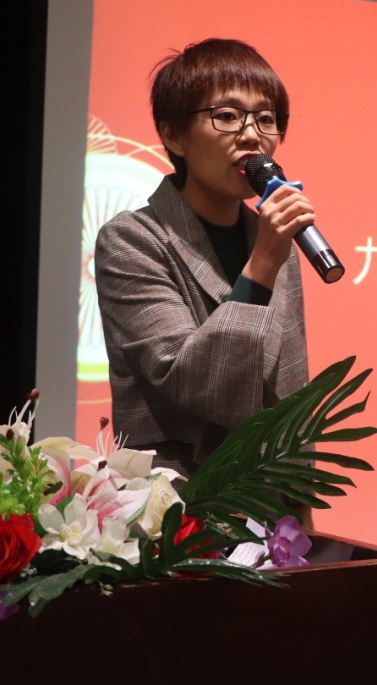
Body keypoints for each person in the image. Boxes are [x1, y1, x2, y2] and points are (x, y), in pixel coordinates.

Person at [95, 39, 313, 478]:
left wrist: (300, 498)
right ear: (173, 135)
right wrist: (263, 262)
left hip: (270, 498)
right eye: (227, 116)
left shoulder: (273, 242)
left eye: (266, 118)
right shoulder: (132, 240)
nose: (252, 135)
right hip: (175, 499)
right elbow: (191, 380)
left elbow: (289, 387)